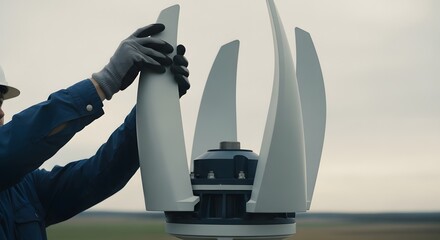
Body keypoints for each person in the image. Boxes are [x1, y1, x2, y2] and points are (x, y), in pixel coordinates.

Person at [0, 23, 190, 239]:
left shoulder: (24, 187)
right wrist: (104, 81)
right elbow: (9, 151)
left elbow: (103, 172)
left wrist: (155, 104)